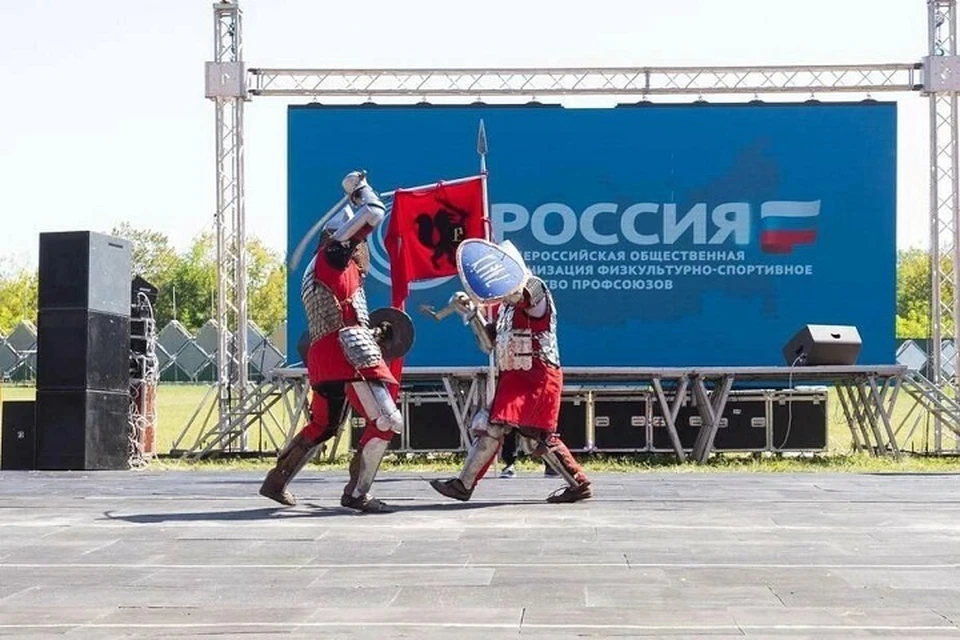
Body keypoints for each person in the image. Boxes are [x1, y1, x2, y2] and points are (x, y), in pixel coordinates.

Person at [259, 171, 402, 514]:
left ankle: (276, 481)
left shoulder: (327, 271)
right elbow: (374, 212)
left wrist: (375, 333)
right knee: (387, 420)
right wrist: (359, 189)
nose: (363, 250)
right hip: (347, 353)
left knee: (323, 425)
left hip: (327, 357)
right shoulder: (334, 255)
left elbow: (340, 316)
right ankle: (357, 493)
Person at [429, 240, 592, 503]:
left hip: (537, 373)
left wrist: (484, 295)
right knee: (497, 427)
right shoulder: (506, 308)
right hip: (514, 376)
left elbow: (521, 295)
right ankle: (464, 485)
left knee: (533, 437)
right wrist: (472, 313)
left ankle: (578, 483)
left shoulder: (535, 288)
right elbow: (489, 344)